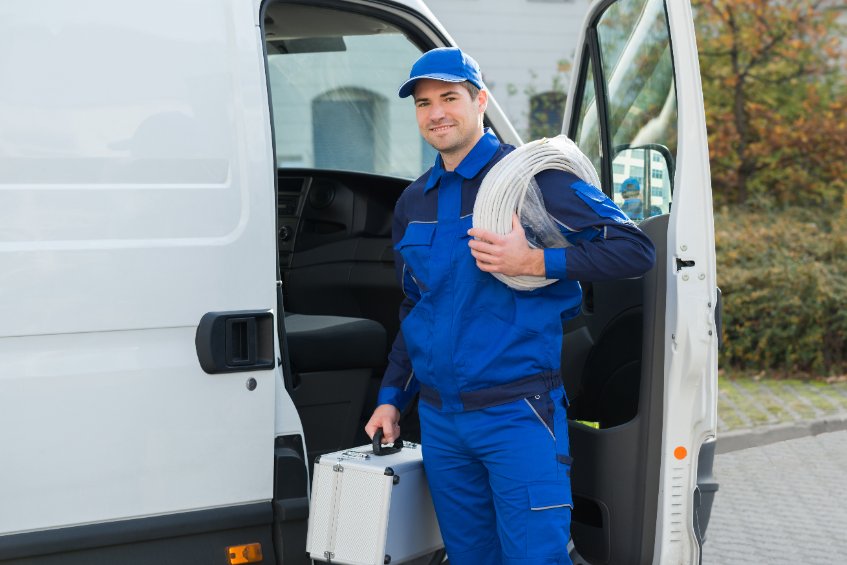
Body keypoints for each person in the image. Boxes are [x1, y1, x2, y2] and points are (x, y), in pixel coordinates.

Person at [365, 47, 655, 565]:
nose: (436, 113)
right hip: (441, 421)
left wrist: (535, 261)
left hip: (517, 413)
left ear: (480, 101)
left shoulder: (534, 182)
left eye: (449, 98)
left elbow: (635, 250)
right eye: (424, 103)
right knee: (468, 557)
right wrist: (391, 397)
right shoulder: (414, 201)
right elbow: (418, 308)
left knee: (535, 557)